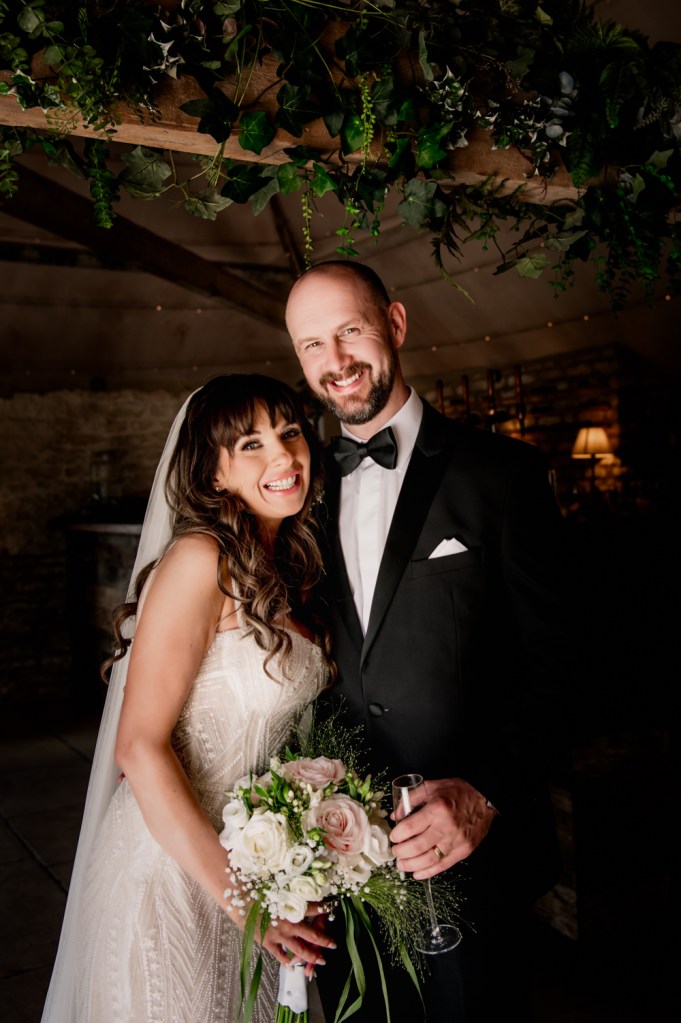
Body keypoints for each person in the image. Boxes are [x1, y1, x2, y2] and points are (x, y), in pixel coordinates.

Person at [285, 261, 573, 1022]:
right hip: (336, 860)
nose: (336, 360)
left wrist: (486, 792)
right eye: (312, 344)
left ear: (396, 324)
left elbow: (564, 661)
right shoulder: (293, 492)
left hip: (473, 857)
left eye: (350, 330)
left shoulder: (502, 474)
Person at [41, 374, 337, 1023]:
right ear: (213, 474)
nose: (283, 456)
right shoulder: (199, 560)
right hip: (168, 866)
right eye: (251, 444)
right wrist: (245, 901)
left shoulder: (286, 562)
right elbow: (138, 747)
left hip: (255, 858)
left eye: (289, 433)